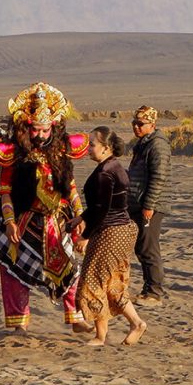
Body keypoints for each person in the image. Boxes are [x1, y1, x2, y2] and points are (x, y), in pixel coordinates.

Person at [0, 82, 91, 334]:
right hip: (23, 219)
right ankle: (19, 323)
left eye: (45, 130)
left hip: (56, 219)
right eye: (36, 130)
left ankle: (75, 317)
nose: (40, 135)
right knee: (14, 271)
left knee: (71, 269)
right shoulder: (14, 154)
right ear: (27, 127)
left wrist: (80, 215)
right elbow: (5, 190)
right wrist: (9, 222)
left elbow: (71, 186)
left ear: (54, 126)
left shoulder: (62, 150)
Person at [69, 127, 146, 346]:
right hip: (121, 230)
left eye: (92, 144)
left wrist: (85, 234)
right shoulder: (115, 167)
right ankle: (136, 323)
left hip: (110, 232)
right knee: (113, 284)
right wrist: (80, 217)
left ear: (106, 148)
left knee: (93, 282)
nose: (88, 149)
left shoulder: (104, 173)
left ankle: (100, 336)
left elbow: (102, 208)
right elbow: (104, 205)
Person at [128, 105, 171, 307]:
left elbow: (158, 177)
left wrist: (149, 205)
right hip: (138, 203)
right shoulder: (143, 144)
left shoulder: (158, 145)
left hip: (150, 206)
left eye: (141, 124)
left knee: (149, 248)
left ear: (152, 124)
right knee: (141, 248)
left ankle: (154, 293)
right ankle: (148, 290)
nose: (136, 127)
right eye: (134, 123)